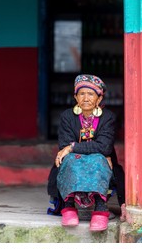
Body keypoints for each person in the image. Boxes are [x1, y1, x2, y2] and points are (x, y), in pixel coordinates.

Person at [47, 74, 125, 232]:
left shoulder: (108, 117)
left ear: (99, 98)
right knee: (70, 160)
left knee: (97, 160)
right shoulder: (67, 117)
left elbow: (104, 147)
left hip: (100, 162)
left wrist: (72, 147)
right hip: (74, 160)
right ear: (75, 97)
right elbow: (64, 145)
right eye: (81, 94)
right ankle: (69, 208)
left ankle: (100, 209)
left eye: (91, 94)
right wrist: (72, 149)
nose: (86, 98)